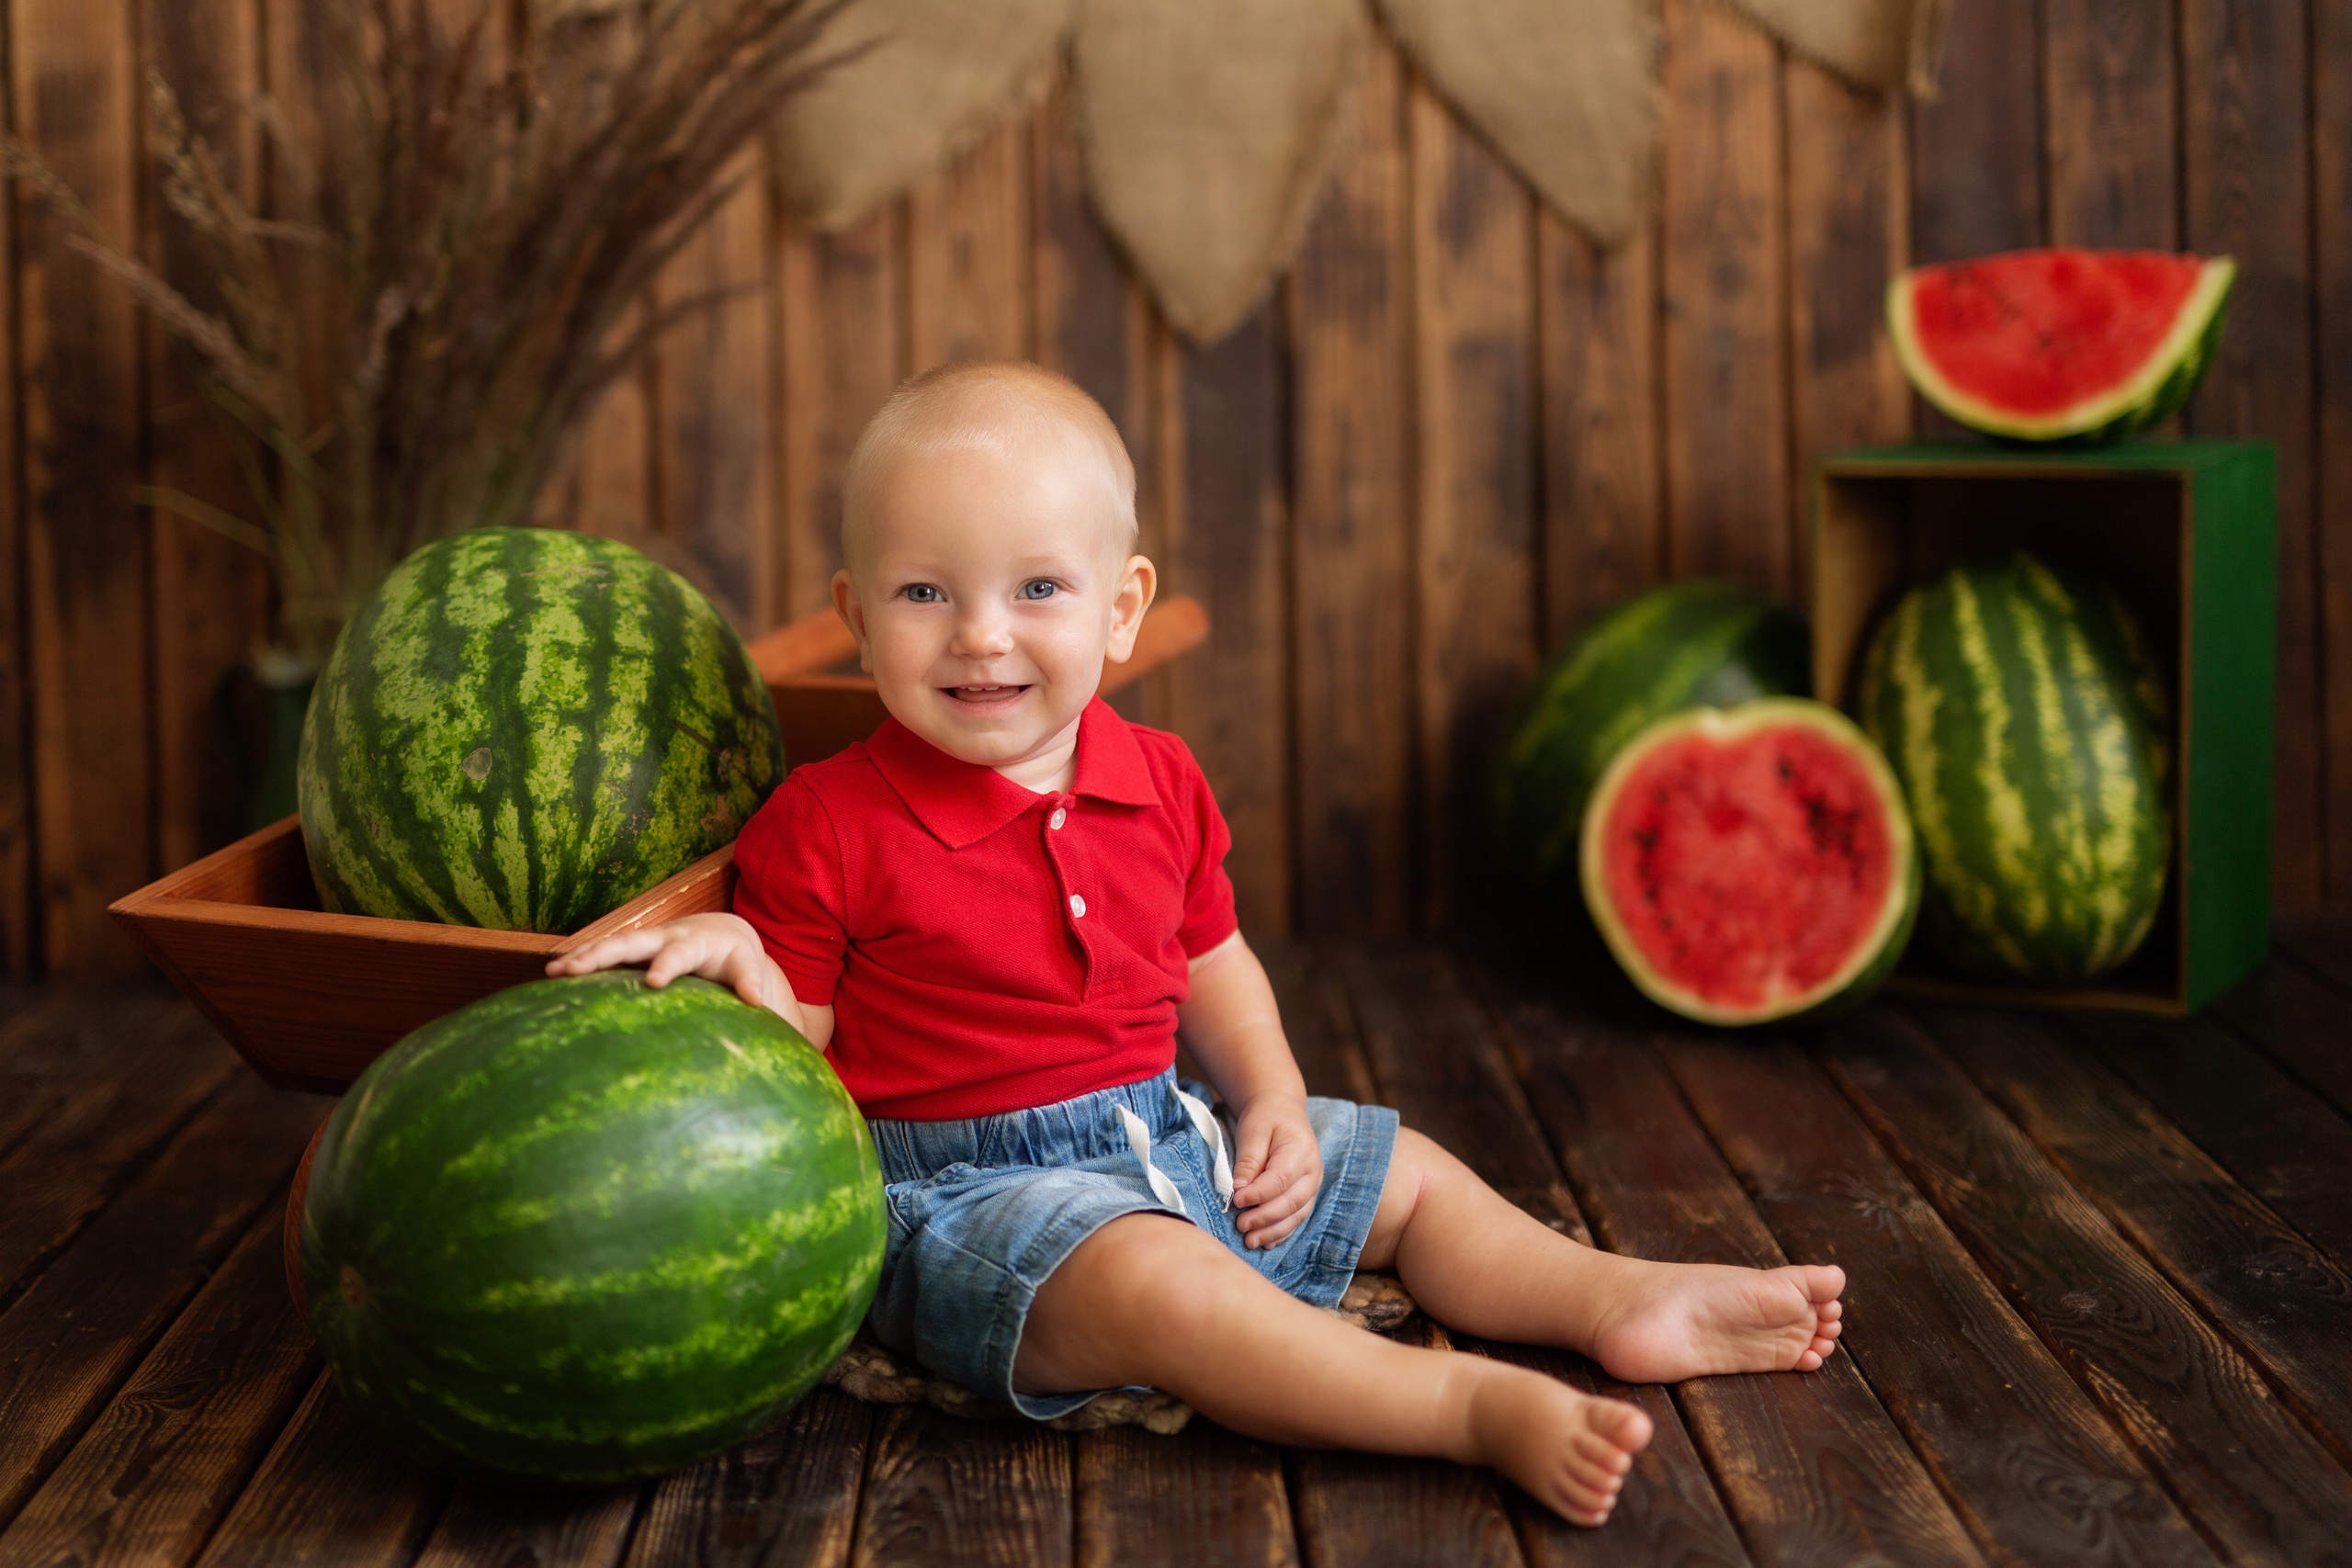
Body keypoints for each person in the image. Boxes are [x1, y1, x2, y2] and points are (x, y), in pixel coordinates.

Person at [549, 360, 1844, 1526]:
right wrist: (749, 973)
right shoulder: (829, 820)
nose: (981, 633)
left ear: (1122, 610)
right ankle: (1456, 1407)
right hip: (969, 1206)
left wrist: (1270, 1096)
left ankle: (1606, 1296)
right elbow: (802, 1054)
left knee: (1404, 1173)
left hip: (1168, 1133)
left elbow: (1214, 961)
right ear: (856, 613)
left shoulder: (1157, 777)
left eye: (1037, 588)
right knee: (1170, 1289)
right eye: (924, 591)